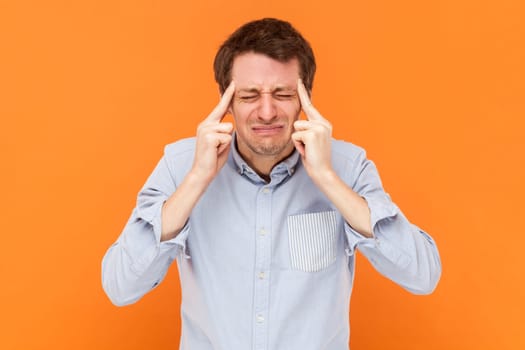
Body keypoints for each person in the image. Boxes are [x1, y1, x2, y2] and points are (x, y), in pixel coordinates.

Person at [102, 18, 441, 350]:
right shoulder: (181, 166)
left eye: (282, 93)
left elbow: (422, 277)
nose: (267, 112)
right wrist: (196, 180)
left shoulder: (346, 167)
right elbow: (121, 286)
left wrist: (327, 178)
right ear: (226, 100)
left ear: (305, 98)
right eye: (249, 95)